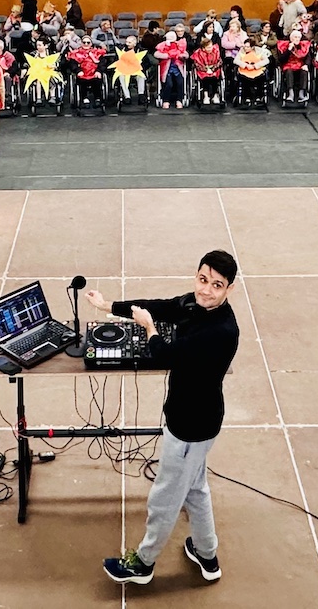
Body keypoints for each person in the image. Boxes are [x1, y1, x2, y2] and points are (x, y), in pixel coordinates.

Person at [91, 250, 241, 586]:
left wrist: (148, 329)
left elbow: (166, 354)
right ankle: (207, 554)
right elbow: (159, 306)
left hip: (190, 428)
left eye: (217, 285)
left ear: (229, 289)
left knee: (165, 498)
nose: (206, 290)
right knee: (195, 490)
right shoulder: (194, 304)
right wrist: (109, 307)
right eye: (203, 280)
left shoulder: (222, 331)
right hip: (197, 422)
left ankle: (143, 563)